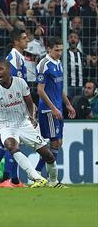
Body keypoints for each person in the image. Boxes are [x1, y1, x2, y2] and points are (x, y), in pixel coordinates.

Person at [0, 60, 61, 188]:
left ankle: (53, 182)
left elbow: (29, 102)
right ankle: (37, 178)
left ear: (9, 70)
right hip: (6, 126)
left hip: (24, 123)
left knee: (48, 155)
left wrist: (32, 117)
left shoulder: (20, 82)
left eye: (0, 69)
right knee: (12, 146)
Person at [0, 28, 28, 187]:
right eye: (24, 38)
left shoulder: (19, 58)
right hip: (7, 106)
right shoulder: (12, 60)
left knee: (5, 144)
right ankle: (11, 179)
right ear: (16, 41)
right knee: (13, 143)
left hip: (11, 105)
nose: (27, 41)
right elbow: (8, 85)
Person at [34, 38, 76, 176]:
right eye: (56, 50)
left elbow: (59, 88)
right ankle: (40, 175)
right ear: (49, 49)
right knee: (55, 142)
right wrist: (53, 108)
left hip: (58, 108)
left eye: (61, 50)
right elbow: (40, 90)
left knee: (58, 142)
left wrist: (68, 104)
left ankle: (40, 174)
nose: (59, 53)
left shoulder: (59, 63)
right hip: (48, 110)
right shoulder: (43, 65)